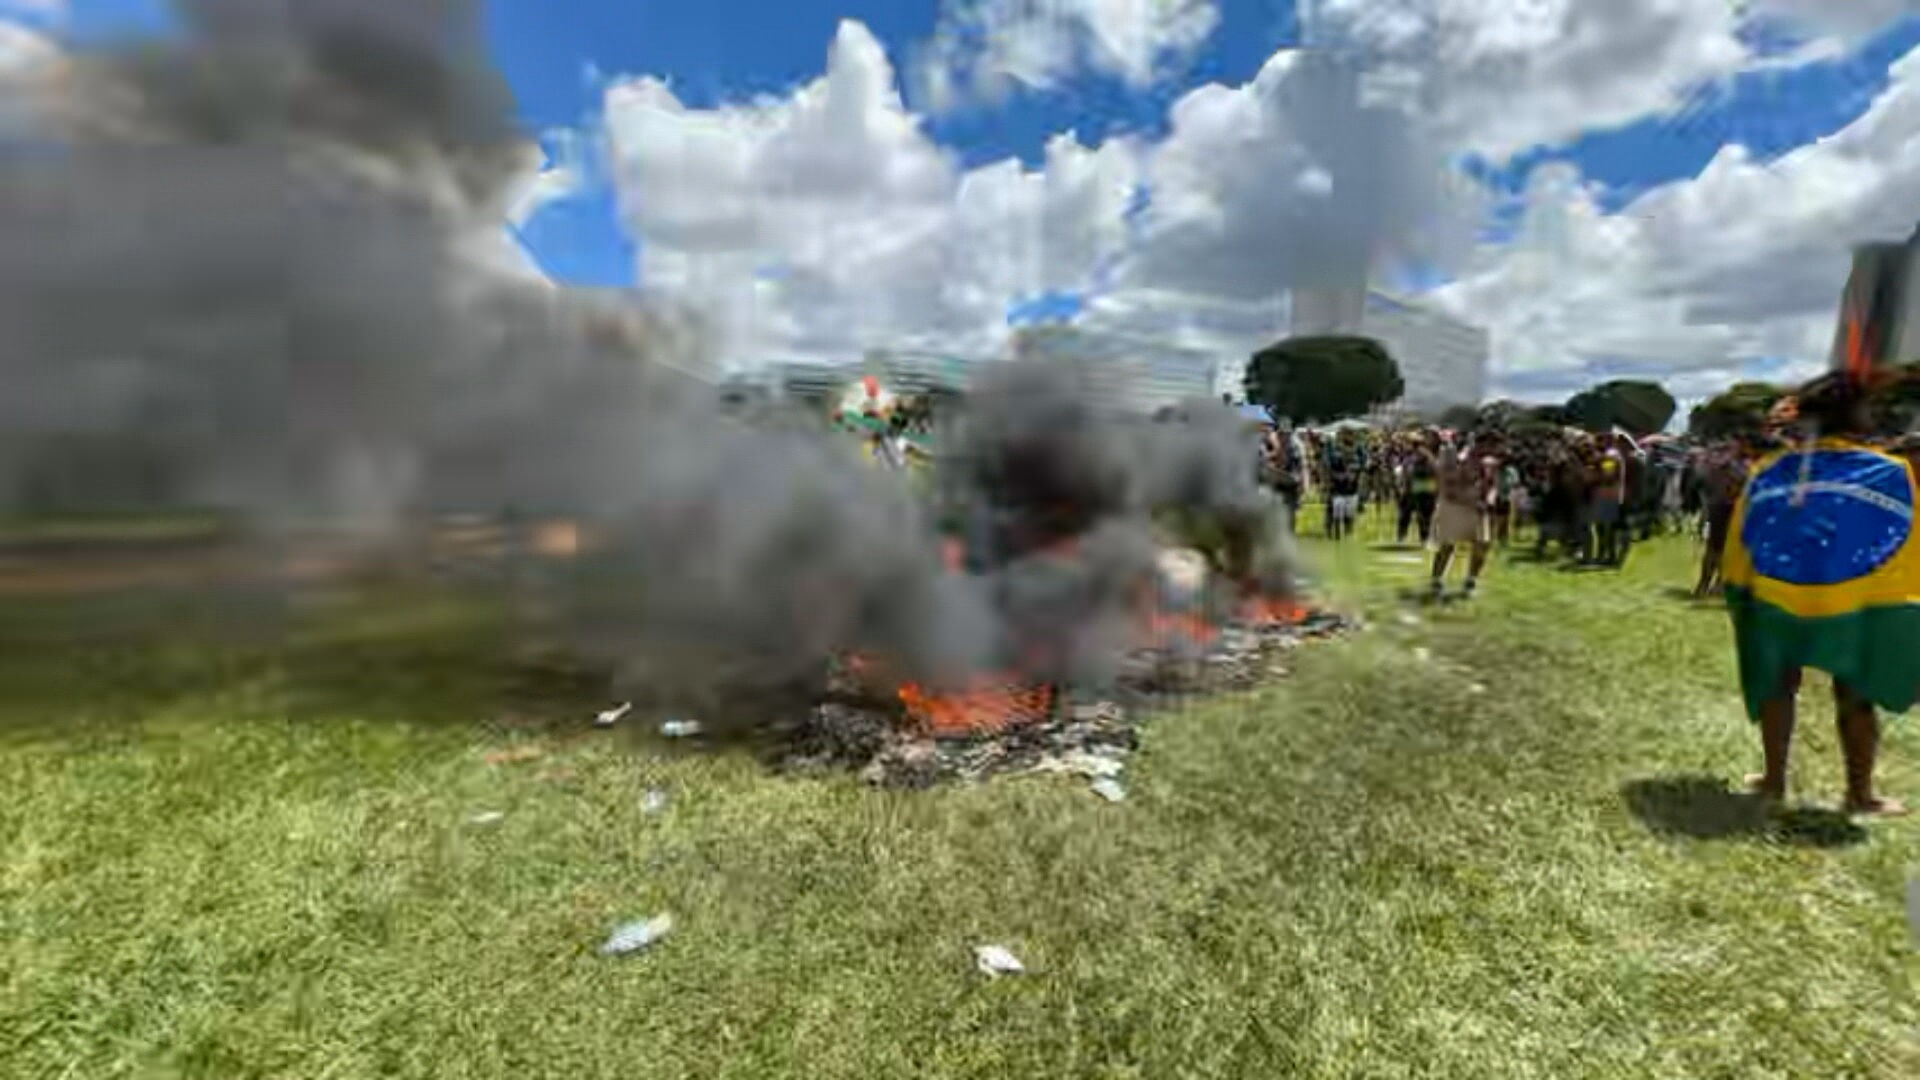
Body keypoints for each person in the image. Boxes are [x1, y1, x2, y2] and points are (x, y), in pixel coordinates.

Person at [1725, 374, 1912, 817]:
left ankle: (1773, 781)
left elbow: (1744, 536)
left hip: (1776, 597)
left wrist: (1741, 589)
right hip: (1854, 602)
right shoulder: (1888, 471)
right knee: (1856, 693)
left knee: (1778, 685)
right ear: (1859, 416)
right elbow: (1903, 540)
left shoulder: (1769, 472)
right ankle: (1859, 794)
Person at [1429, 432, 1495, 599]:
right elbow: (1448, 485)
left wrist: (1488, 499)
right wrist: (1467, 498)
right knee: (1447, 545)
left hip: (1477, 508)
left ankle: (1470, 581)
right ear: (1479, 445)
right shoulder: (1460, 459)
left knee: (1482, 544)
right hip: (1455, 506)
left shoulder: (1488, 462)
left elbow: (1491, 485)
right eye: (1489, 445)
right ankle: (1436, 580)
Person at [1398, 433, 1440, 546]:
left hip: (1420, 487)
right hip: (1423, 487)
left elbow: (1411, 473)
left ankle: (1416, 538)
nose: (1405, 445)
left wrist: (1405, 487)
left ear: (1413, 444)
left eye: (1407, 443)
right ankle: (1419, 538)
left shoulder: (1420, 455)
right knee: (1420, 515)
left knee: (1417, 514)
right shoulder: (1426, 455)